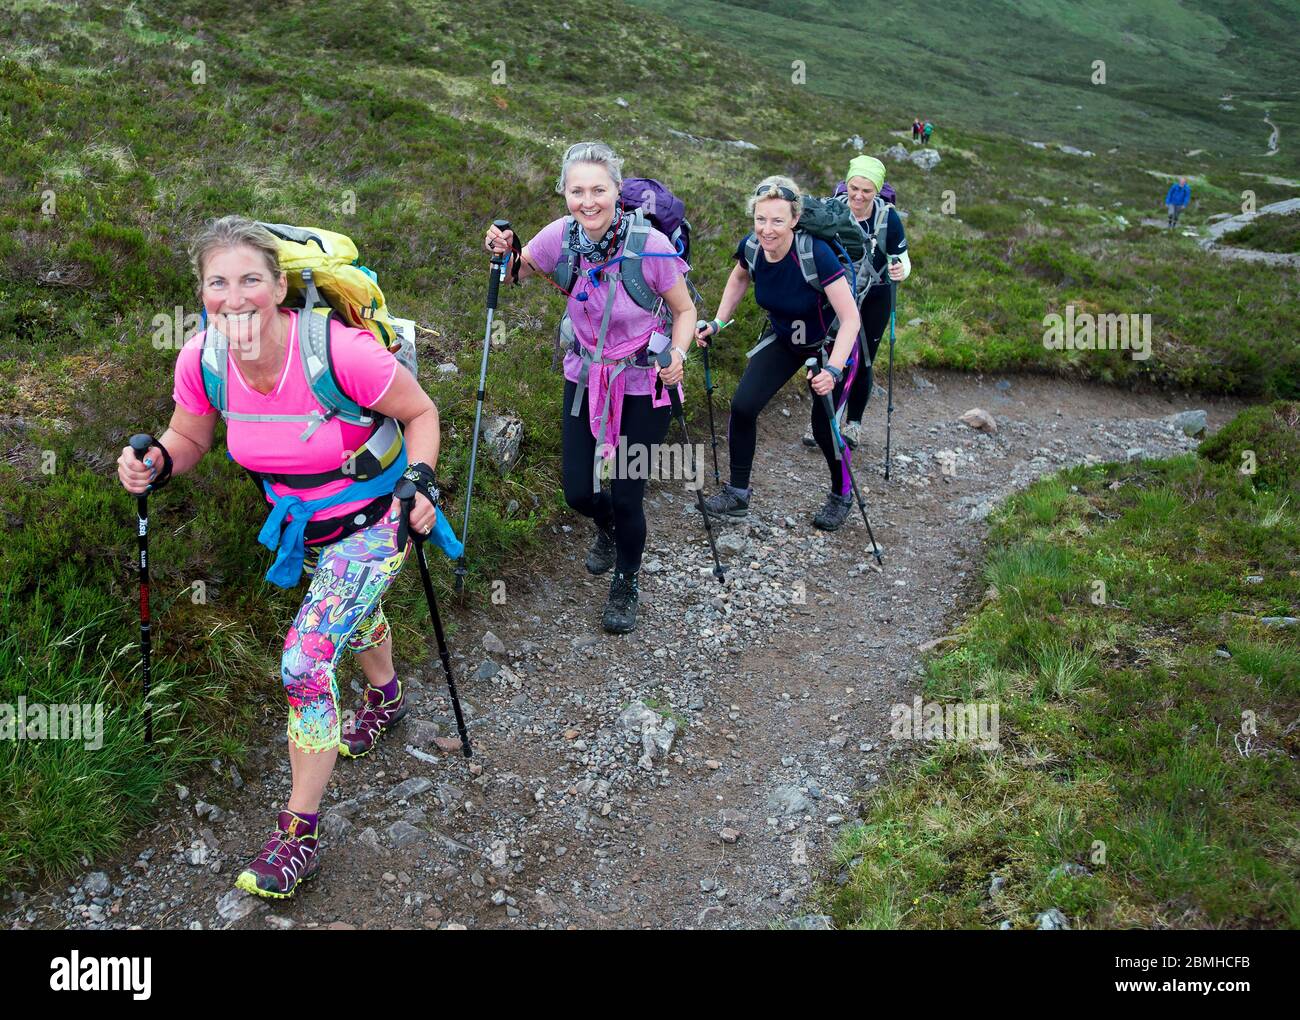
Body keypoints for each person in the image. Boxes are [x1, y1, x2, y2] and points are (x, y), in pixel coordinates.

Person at [116, 216, 446, 899]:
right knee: (348, 614)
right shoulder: (203, 359)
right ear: (200, 290)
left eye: (249, 280)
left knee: (304, 660)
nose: (233, 298)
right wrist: (156, 464)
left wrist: (421, 483)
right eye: (217, 282)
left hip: (376, 520)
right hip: (305, 527)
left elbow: (421, 414)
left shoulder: (338, 350)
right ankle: (385, 698)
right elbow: (189, 435)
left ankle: (296, 835)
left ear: (279, 286)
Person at [484, 142, 696, 634]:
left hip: (645, 381)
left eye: (598, 189)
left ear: (618, 192)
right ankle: (607, 530)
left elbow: (684, 311)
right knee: (579, 491)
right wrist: (505, 251)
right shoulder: (561, 235)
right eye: (577, 190)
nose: (588, 200)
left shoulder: (651, 247)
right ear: (564, 193)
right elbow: (519, 271)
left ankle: (627, 580)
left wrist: (679, 355)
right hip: (585, 375)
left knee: (626, 492)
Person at [696, 176, 863, 531]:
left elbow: (850, 319)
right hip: (786, 337)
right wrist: (718, 321)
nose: (766, 229)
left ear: (794, 219)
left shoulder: (815, 254)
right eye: (760, 219)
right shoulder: (753, 247)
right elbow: (740, 277)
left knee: (823, 426)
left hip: (831, 345)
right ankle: (738, 494)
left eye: (776, 220)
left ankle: (841, 493)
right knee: (743, 406)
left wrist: (832, 370)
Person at [814, 156, 909, 449]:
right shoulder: (833, 209)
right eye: (854, 187)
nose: (858, 195)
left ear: (877, 191)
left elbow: (903, 261)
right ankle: (822, 418)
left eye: (866, 191)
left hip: (876, 294)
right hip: (837, 291)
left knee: (865, 359)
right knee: (830, 354)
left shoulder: (888, 218)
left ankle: (853, 423)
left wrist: (899, 270)